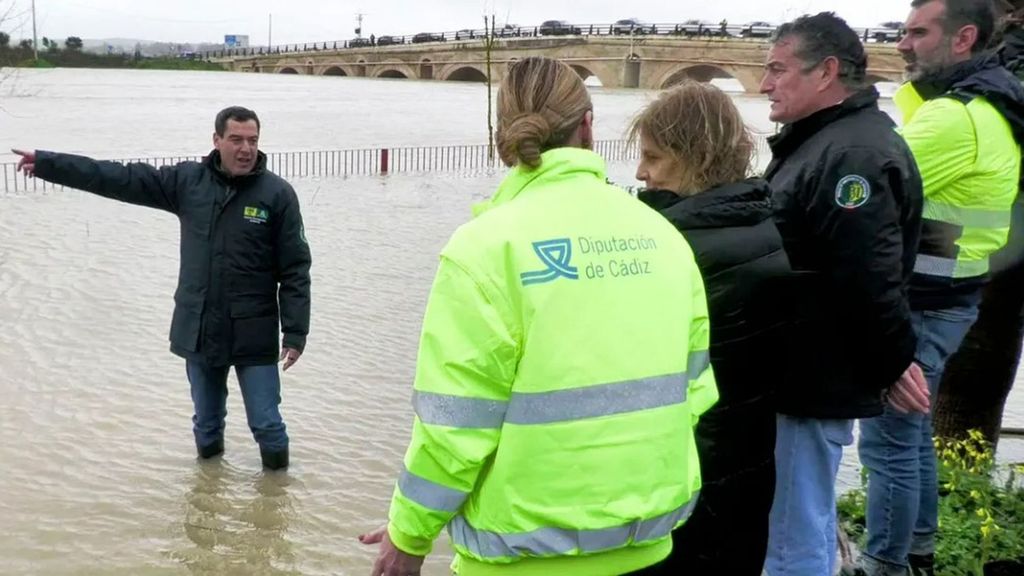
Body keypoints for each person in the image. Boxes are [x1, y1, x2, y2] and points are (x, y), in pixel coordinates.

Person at [360, 56, 717, 576]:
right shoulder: (662, 236)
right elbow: (695, 392)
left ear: (501, 133)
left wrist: (409, 534)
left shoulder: (485, 248)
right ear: (588, 126)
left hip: (519, 558)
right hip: (650, 546)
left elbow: (456, 425)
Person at [12, 106, 311, 471]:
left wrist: (295, 332)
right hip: (198, 327)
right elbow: (119, 178)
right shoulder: (188, 182)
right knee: (206, 423)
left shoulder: (277, 194)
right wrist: (48, 164)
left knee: (267, 424)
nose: (245, 149)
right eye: (236, 140)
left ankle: (275, 502)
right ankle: (207, 496)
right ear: (217, 141)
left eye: (252, 140)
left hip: (255, 330)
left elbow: (295, 270)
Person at [857, 1, 1024, 574]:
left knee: (887, 444)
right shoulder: (991, 106)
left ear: (964, 38)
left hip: (923, 303)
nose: (902, 44)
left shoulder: (957, 117)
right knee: (913, 434)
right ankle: (921, 549)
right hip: (952, 296)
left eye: (916, 33)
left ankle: (886, 564)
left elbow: (868, 186)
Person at [758, 12, 925, 576]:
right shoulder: (831, 142)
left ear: (826, 71)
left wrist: (893, 360)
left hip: (812, 378)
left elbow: (867, 275)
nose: (764, 84)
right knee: (799, 518)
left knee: (792, 534)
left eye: (777, 70)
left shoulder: (848, 156)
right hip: (808, 373)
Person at [632, 81, 793, 575]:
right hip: (748, 464)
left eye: (653, 157)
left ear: (695, 157)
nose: (640, 172)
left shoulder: (678, 250)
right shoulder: (760, 225)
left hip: (689, 477)